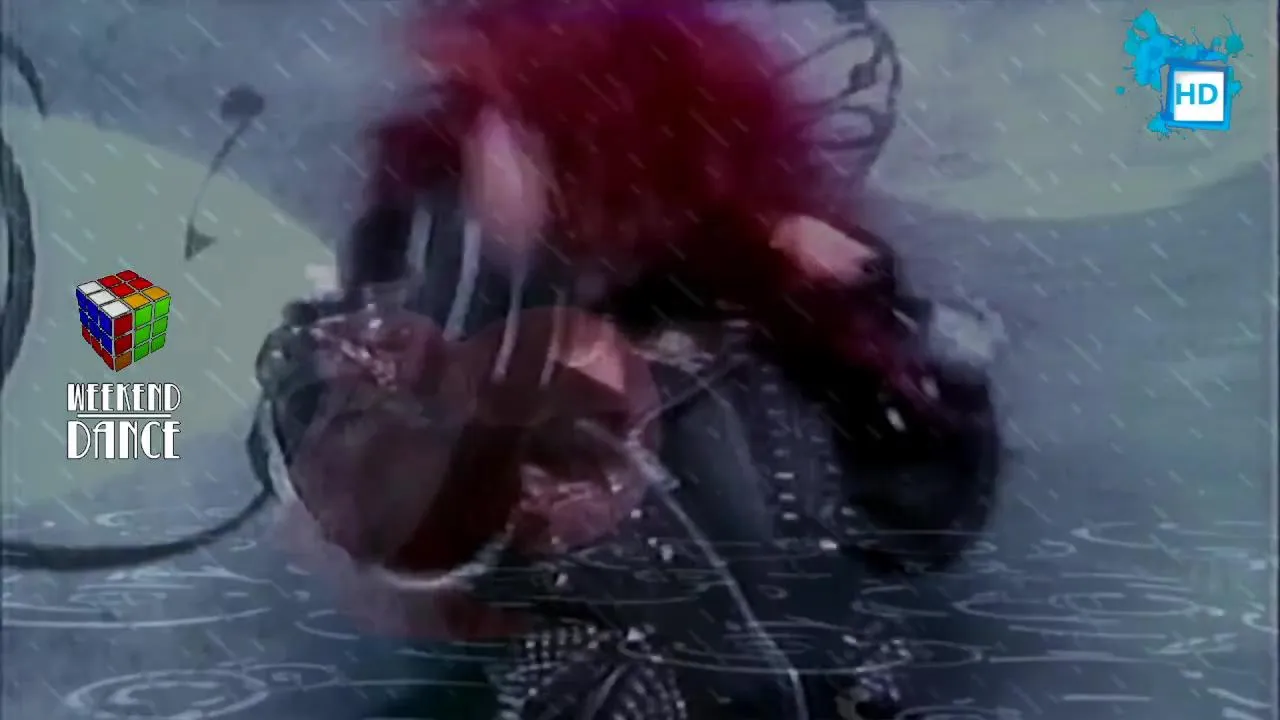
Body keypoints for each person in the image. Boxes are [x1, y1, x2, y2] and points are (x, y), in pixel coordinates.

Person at [251, 0, 1002, 717]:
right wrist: (350, 378)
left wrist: (867, 327)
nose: (486, 148)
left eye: (519, 126)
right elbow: (369, 521)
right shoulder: (435, 275)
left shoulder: (770, 320)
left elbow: (925, 522)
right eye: (481, 118)